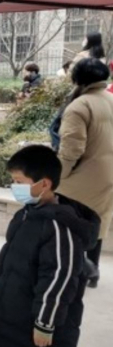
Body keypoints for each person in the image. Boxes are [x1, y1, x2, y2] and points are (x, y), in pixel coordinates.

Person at [0, 145, 100, 347]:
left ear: (44, 184)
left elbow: (59, 279)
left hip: (29, 323)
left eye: (19, 182)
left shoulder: (60, 227)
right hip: (7, 309)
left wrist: (45, 324)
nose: (14, 187)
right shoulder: (25, 214)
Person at [56, 58, 113, 289]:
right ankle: (92, 272)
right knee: (97, 224)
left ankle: (76, 272)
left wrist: (58, 177)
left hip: (81, 181)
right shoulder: (110, 99)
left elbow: (71, 150)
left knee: (71, 226)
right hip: (107, 175)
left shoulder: (80, 106)